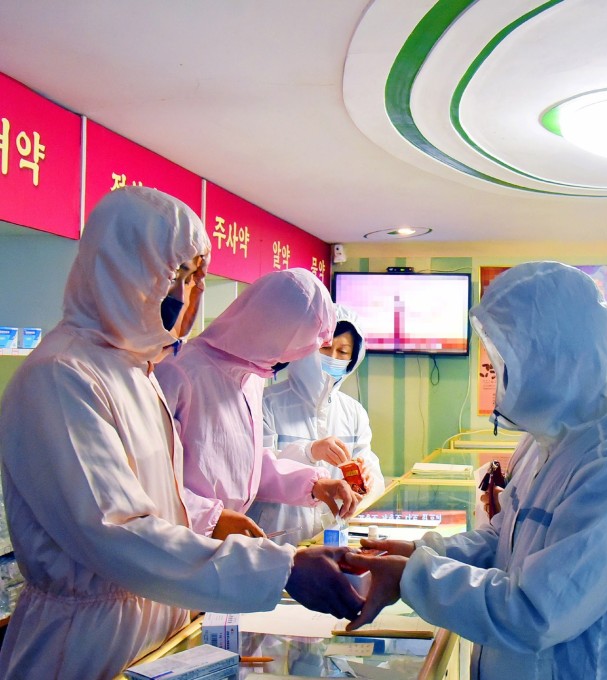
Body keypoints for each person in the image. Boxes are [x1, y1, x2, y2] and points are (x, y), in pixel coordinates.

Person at [0, 187, 361, 678]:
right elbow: (117, 532)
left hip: (157, 619)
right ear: (121, 271)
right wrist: (282, 568)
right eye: (175, 277)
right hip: (85, 643)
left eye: (194, 279)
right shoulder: (62, 376)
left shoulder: (135, 372)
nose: (185, 295)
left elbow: (171, 498)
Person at [346, 261, 607, 679]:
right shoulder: (549, 438)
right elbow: (503, 539)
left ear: (555, 358)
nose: (499, 377)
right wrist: (424, 552)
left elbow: (535, 612)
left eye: (507, 361)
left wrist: (416, 578)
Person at [155, 268, 362, 540]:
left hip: (223, 542)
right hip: (177, 540)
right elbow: (149, 482)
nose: (283, 362)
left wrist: (315, 484)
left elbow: (248, 466)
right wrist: (211, 519)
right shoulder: (179, 372)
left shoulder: (252, 375)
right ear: (267, 327)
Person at [249, 304, 385, 545]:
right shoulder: (266, 403)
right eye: (325, 347)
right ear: (306, 348)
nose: (333, 358)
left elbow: (370, 466)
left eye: (343, 352)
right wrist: (310, 451)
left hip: (330, 538)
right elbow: (255, 469)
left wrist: (367, 479)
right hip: (275, 537)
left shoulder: (353, 412)